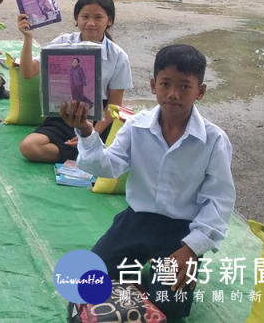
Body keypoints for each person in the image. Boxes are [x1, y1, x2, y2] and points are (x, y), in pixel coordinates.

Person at [63, 44, 235, 319]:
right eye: (165, 84)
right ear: (153, 85)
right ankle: (140, 274)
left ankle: (151, 276)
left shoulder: (214, 141)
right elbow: (106, 166)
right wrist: (85, 131)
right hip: (136, 221)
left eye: (185, 87)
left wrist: (191, 249)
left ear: (200, 91)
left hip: (181, 233)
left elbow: (219, 200)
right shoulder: (136, 126)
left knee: (170, 305)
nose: (173, 94)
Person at [17, 0, 133, 163]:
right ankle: (84, 157)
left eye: (98, 17)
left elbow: (114, 105)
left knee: (119, 151)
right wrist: (28, 38)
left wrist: (91, 135)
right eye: (85, 16)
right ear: (76, 19)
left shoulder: (118, 56)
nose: (91, 23)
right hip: (63, 114)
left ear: (109, 21)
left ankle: (86, 153)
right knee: (29, 147)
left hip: (97, 120)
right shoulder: (63, 42)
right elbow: (28, 72)